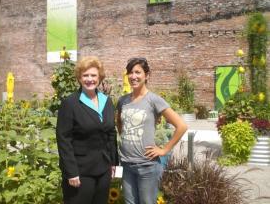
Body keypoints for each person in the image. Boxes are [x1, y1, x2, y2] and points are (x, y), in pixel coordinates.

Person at [116, 57, 187, 204]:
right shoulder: (122, 101)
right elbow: (120, 123)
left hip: (146, 166)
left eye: (138, 72)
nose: (133, 76)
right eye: (130, 72)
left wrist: (164, 150)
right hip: (127, 164)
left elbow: (181, 126)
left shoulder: (153, 100)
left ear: (147, 75)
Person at [56, 56, 118, 204]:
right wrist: (71, 172)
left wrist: (114, 163)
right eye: (85, 75)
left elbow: (111, 133)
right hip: (80, 173)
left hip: (103, 170)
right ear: (79, 78)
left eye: (93, 75)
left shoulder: (106, 101)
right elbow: (63, 139)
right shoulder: (70, 103)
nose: (89, 79)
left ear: (100, 77)